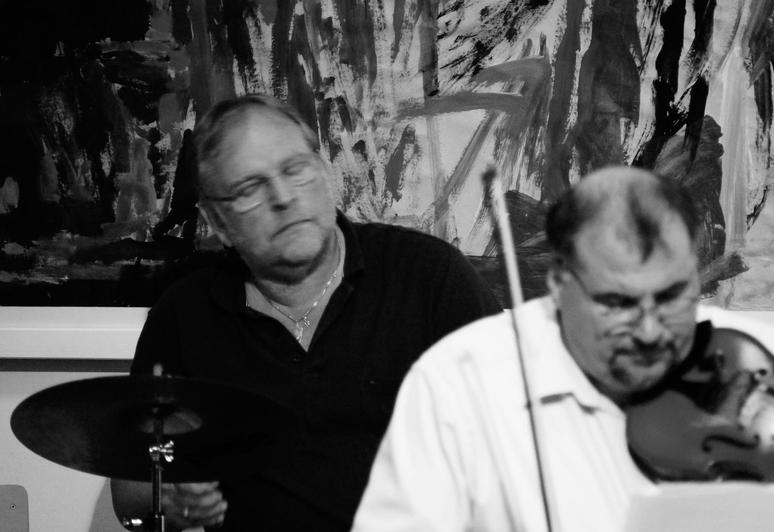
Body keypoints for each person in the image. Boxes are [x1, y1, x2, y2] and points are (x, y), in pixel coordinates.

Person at [110, 94, 500, 531]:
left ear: (323, 171)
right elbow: (129, 496)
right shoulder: (184, 315)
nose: (282, 197)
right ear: (218, 223)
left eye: (294, 169)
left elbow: (521, 440)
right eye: (249, 189)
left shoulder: (430, 276)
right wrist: (173, 498)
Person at [351, 165, 774, 531]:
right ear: (560, 285)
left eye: (672, 296)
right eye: (617, 303)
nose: (650, 333)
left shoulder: (765, 356)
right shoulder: (456, 383)